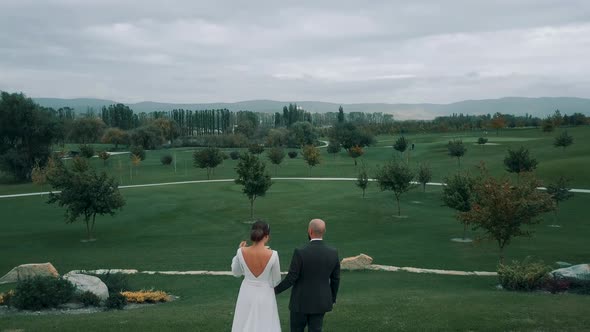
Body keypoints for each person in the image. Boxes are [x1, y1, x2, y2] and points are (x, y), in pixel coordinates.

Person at [275, 219, 340, 332]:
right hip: (321, 301)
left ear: (309, 231)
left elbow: (291, 278)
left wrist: (274, 290)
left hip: (300, 302)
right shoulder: (333, 253)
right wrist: (332, 298)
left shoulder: (300, 252)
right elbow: (335, 279)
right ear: (324, 231)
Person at [231, 220, 282, 332]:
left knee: (243, 322)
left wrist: (238, 253)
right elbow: (276, 280)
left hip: (246, 292)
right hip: (265, 293)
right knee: (265, 324)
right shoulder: (273, 254)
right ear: (266, 236)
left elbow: (236, 273)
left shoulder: (241, 252)